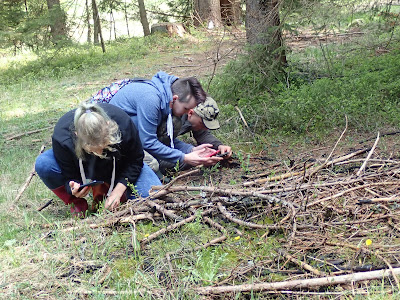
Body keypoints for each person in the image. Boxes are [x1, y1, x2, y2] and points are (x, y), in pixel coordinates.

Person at [35, 102, 161, 217]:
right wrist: (73, 187)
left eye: (103, 146)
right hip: (86, 168)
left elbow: (135, 160)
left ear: (109, 126)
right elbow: (69, 174)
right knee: (43, 164)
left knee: (151, 199)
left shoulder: (123, 124)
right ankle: (77, 204)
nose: (99, 153)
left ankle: (117, 194)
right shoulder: (62, 137)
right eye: (92, 149)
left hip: (120, 166)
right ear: (77, 135)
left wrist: (118, 191)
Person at [108, 71, 224, 170]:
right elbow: (148, 142)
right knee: (154, 165)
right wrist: (185, 157)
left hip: (131, 138)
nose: (187, 113)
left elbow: (164, 140)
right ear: (175, 98)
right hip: (112, 141)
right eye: (186, 108)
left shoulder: (166, 102)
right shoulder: (151, 99)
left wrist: (191, 150)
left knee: (172, 161)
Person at [157, 97, 232, 174]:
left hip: (159, 145)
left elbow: (202, 134)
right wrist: (188, 158)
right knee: (159, 165)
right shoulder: (170, 115)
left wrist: (219, 146)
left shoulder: (193, 118)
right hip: (148, 150)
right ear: (190, 113)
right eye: (202, 123)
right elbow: (156, 143)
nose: (204, 128)